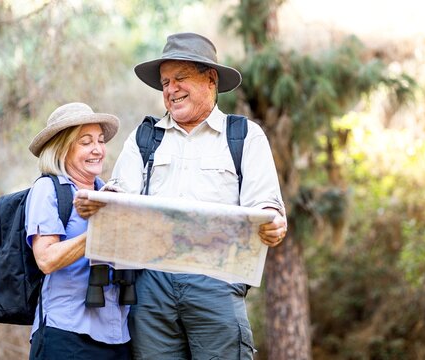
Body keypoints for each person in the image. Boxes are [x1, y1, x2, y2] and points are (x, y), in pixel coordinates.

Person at [75, 32, 288, 359]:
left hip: (218, 281)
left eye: (180, 79)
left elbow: (266, 206)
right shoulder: (145, 137)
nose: (170, 90)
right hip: (150, 287)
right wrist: (101, 202)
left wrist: (274, 223)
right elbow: (121, 195)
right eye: (164, 83)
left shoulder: (244, 136)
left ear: (210, 79)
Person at [25, 102, 131, 360]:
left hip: (118, 335)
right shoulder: (48, 190)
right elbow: (46, 259)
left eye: (100, 140)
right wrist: (99, 232)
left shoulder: (108, 192)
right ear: (63, 149)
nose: (98, 150)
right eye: (86, 142)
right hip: (67, 334)